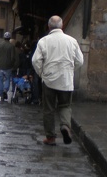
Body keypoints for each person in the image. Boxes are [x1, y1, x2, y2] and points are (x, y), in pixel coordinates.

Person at [32, 15, 84, 146]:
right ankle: (65, 126)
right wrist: (70, 70)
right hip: (66, 80)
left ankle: (50, 137)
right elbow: (80, 61)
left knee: (48, 109)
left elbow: (35, 61)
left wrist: (42, 73)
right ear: (62, 26)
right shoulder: (72, 41)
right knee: (65, 106)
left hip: (49, 79)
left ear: (48, 27)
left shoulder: (44, 41)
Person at [0, 31, 17, 102]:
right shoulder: (11, 46)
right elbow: (13, 57)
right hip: (8, 66)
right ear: (9, 38)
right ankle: (5, 89)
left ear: (4, 38)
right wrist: (12, 64)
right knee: (7, 79)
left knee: (0, 80)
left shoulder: (0, 45)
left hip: (0, 65)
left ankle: (1, 94)